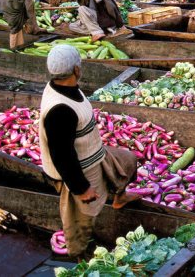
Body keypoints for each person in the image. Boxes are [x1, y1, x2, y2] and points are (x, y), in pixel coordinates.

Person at [39, 44, 139, 259]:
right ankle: (78, 252)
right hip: (78, 168)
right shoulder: (60, 110)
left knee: (128, 160)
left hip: (95, 153)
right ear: (76, 70)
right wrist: (81, 188)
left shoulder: (65, 86)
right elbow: (62, 156)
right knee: (83, 216)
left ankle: (119, 198)